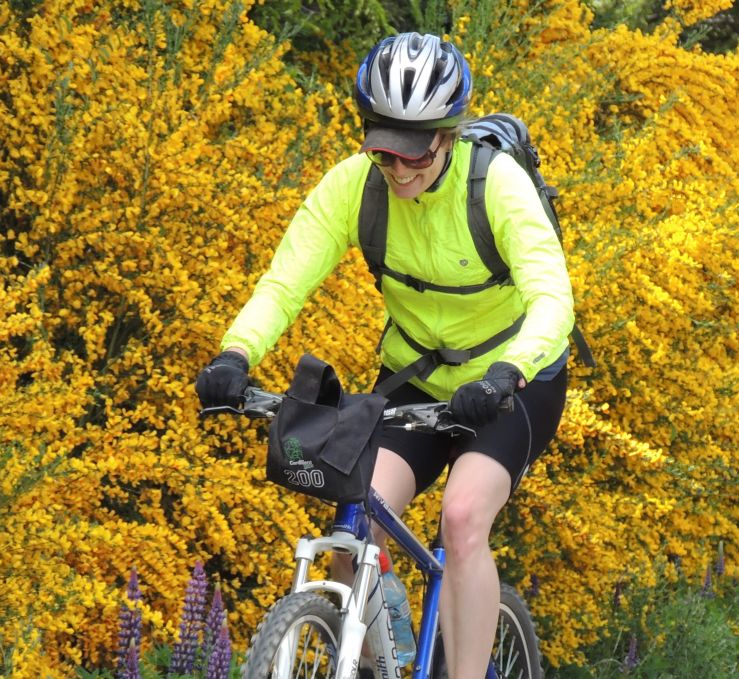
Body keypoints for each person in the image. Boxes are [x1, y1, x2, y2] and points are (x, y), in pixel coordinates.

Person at [196, 31, 574, 678]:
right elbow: (284, 284)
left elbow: (552, 298)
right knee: (354, 520)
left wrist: (508, 370)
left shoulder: (497, 187)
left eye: (414, 153)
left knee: (460, 519)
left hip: (514, 382)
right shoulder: (354, 188)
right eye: (383, 151)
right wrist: (235, 353)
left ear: (449, 136)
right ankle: (374, 661)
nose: (398, 169)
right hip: (417, 382)